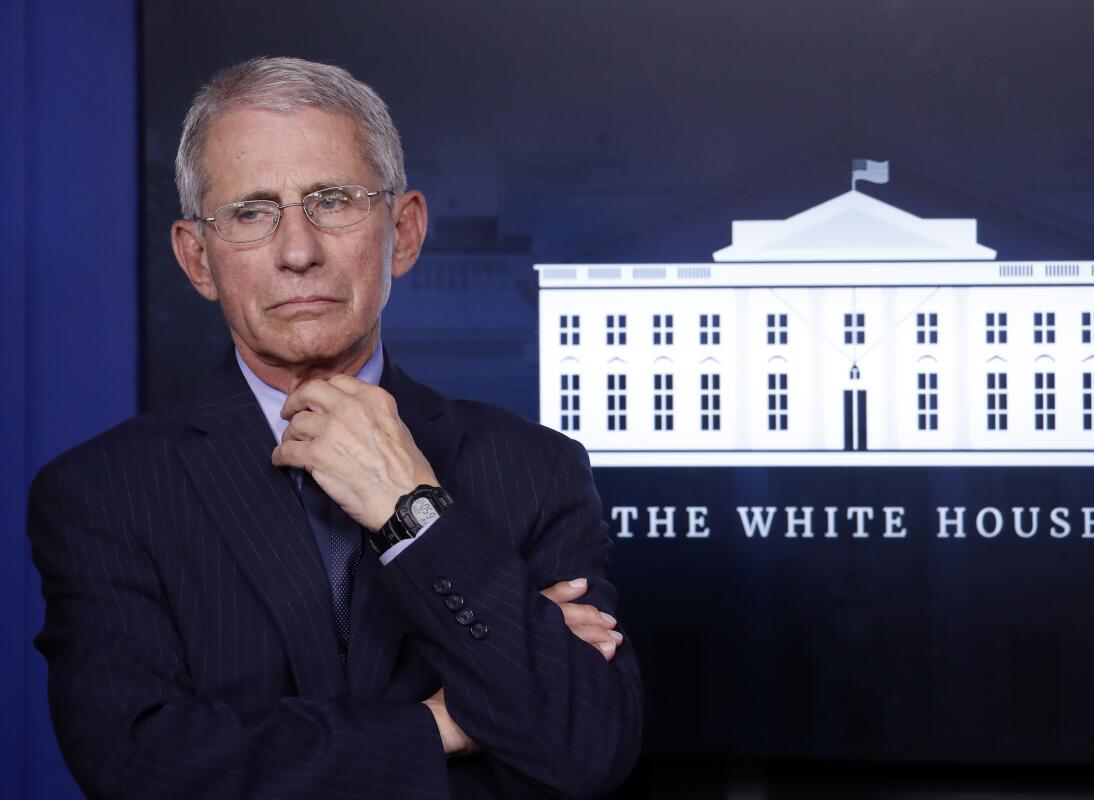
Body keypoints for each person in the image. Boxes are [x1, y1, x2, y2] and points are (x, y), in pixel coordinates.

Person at [27, 56, 642, 799]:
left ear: (405, 231)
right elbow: (140, 765)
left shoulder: (537, 468)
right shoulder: (104, 492)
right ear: (198, 259)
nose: (297, 250)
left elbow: (587, 746)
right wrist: (438, 726)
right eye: (252, 212)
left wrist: (413, 511)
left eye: (334, 199)